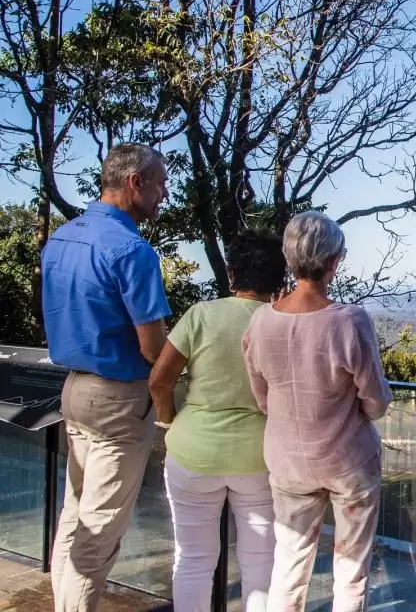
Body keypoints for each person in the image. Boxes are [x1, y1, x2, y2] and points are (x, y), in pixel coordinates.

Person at [42, 143, 171, 612]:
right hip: (119, 400)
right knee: (100, 532)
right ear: (135, 182)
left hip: (73, 390)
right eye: (159, 184)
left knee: (75, 518)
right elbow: (153, 348)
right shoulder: (132, 251)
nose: (163, 194)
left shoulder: (62, 237)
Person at [242, 211, 392, 612]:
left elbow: (262, 398)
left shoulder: (260, 322)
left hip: (288, 460)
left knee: (288, 566)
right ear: (333, 262)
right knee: (350, 569)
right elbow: (375, 402)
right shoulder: (348, 321)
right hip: (349, 462)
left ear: (289, 260)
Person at [148, 229, 288, 612]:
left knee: (193, 559)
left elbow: (159, 380)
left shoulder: (201, 315)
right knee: (261, 565)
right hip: (260, 459)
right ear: (279, 279)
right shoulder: (282, 324)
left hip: (194, 452)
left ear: (232, 274)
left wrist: (168, 423)